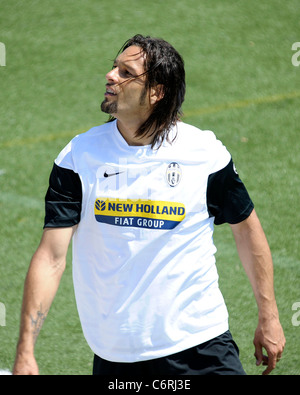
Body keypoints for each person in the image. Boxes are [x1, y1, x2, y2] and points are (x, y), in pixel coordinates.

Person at [13, 34, 285, 375]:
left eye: (126, 73)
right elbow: (51, 258)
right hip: (117, 358)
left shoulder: (204, 155)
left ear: (156, 92)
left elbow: (247, 231)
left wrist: (269, 315)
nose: (111, 76)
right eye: (114, 67)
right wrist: (25, 350)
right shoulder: (79, 157)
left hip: (201, 346)